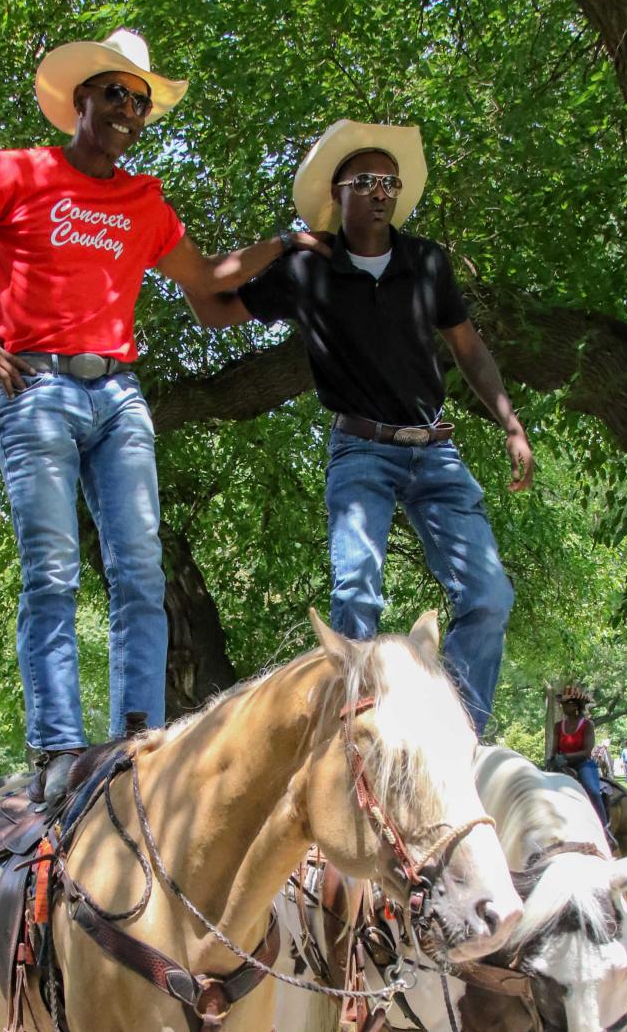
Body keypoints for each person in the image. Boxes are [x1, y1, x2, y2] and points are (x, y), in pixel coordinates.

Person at [0, 29, 326, 804]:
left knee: (140, 572)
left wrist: (283, 245)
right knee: (52, 573)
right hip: (37, 393)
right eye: (117, 93)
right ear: (80, 99)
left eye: (142, 100)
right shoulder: (18, 172)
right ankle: (59, 750)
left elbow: (209, 278)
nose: (131, 108)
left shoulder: (144, 201)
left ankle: (139, 744)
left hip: (119, 394)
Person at [186, 119, 533, 738]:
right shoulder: (308, 271)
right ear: (338, 193)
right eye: (367, 180)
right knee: (356, 601)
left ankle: (459, 738)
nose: (382, 191)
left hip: (435, 450)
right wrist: (280, 245)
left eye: (391, 182)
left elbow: (468, 347)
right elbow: (209, 306)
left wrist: (510, 421)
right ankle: (352, 746)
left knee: (489, 594)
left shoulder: (427, 263)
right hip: (361, 450)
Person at [548, 684, 611, 835]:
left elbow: (587, 751)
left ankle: (604, 829)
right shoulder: (558, 726)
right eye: (562, 704)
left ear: (576, 705)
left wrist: (566, 757)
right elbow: (555, 747)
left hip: (583, 764)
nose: (563, 707)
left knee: (593, 790)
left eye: (567, 704)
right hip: (562, 765)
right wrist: (552, 759)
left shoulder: (587, 725)